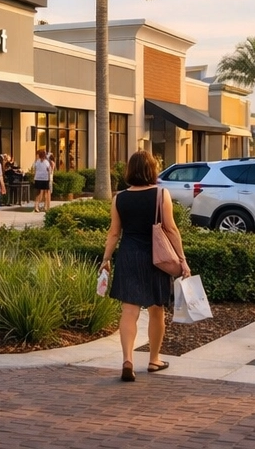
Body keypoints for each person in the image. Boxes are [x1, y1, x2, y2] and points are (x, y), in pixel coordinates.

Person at [101, 151, 189, 382]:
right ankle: (154, 359)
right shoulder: (161, 194)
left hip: (129, 255)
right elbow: (170, 229)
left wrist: (105, 259)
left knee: (129, 311)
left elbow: (113, 233)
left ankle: (127, 360)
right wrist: (182, 259)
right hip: (156, 258)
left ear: (129, 170)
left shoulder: (119, 197)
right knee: (156, 310)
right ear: (152, 170)